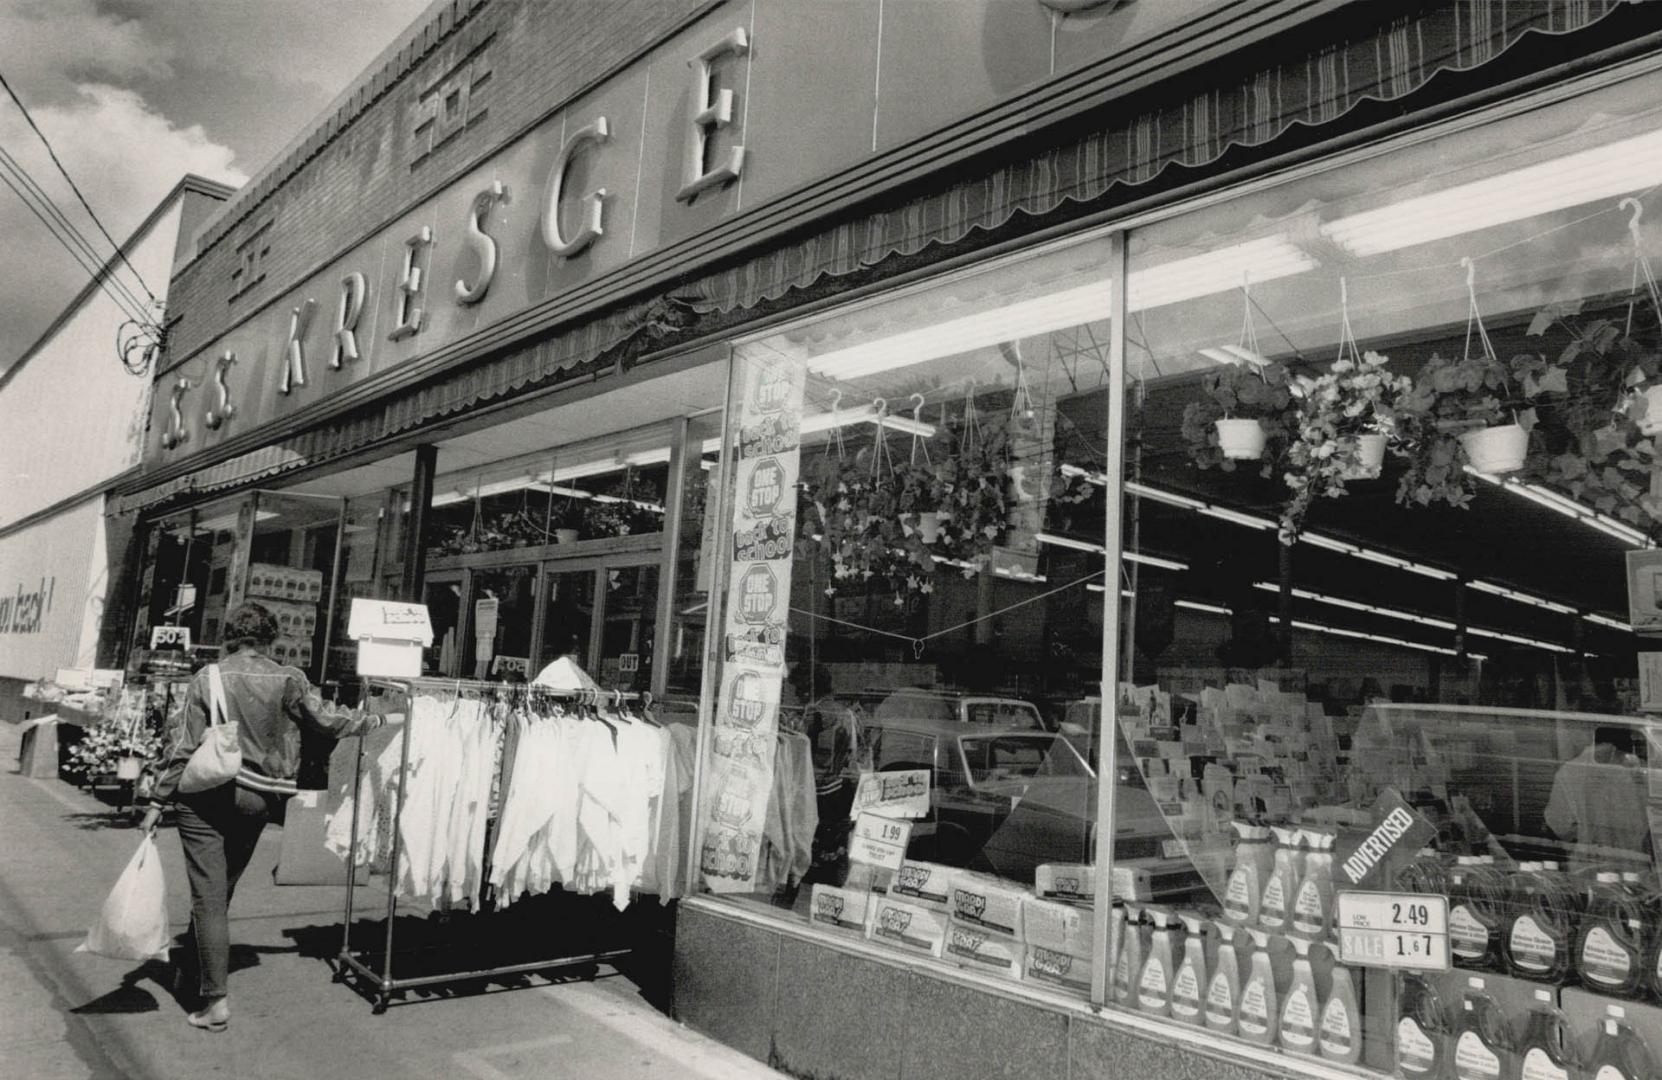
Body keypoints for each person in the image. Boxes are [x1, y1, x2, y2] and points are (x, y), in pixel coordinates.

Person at [139, 602, 377, 1032]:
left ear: (230, 634)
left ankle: (215, 1000)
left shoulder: (207, 677)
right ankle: (191, 969)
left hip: (206, 795)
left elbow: (182, 747)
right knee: (219, 891)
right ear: (271, 637)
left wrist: (157, 801)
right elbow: (326, 721)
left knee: (208, 897)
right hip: (260, 798)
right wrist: (374, 719)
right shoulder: (289, 678)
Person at [533, 627, 598, 691]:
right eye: (576, 650)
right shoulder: (563, 665)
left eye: (578, 650)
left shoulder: (554, 668)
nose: (578, 654)